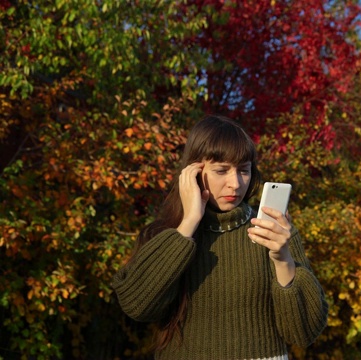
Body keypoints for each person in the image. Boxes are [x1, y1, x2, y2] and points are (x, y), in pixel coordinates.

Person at [112, 115, 328, 359]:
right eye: (221, 170)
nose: (235, 184)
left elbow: (304, 332)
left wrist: (283, 259)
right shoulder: (164, 235)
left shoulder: (274, 232)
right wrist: (190, 221)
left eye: (244, 171)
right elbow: (136, 306)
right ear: (192, 172)